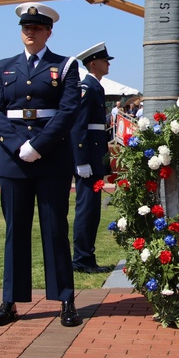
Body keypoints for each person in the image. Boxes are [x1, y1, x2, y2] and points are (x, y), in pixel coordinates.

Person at [0, 2, 81, 328]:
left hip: (51, 158)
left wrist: (38, 146)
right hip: (13, 161)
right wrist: (19, 146)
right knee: (16, 233)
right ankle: (10, 301)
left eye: (37, 27)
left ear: (48, 31)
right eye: (26, 27)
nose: (30, 31)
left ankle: (65, 299)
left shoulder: (65, 66)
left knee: (55, 231)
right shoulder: (4, 67)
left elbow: (68, 112)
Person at [71, 42, 115, 274]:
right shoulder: (87, 87)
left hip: (94, 156)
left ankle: (86, 256)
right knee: (87, 210)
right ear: (93, 63)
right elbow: (78, 125)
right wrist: (81, 160)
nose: (108, 64)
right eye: (105, 60)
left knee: (92, 210)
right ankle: (82, 259)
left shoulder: (95, 86)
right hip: (88, 158)